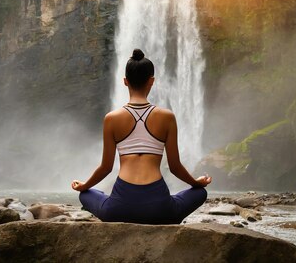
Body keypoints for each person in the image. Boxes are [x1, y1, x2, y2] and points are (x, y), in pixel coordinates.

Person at [71, 48, 211, 224]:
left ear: (124, 81)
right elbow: (175, 167)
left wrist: (84, 186)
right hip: (159, 209)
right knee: (200, 193)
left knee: (86, 195)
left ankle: (101, 198)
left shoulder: (111, 118)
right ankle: (165, 210)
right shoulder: (167, 117)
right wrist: (196, 183)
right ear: (151, 81)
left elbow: (106, 168)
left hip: (120, 208)